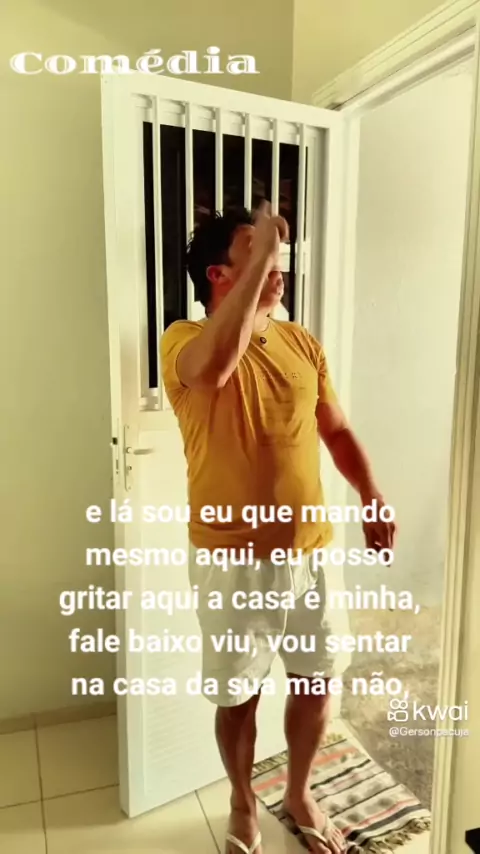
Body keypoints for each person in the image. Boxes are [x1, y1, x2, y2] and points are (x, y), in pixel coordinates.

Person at [160, 204, 396, 854]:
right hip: (233, 561)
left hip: (312, 554)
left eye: (275, 251)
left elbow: (336, 430)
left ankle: (298, 792)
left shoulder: (301, 343)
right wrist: (264, 246)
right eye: (254, 250)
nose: (277, 261)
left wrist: (371, 494)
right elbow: (213, 369)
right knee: (239, 696)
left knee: (317, 681)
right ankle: (242, 802)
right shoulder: (183, 339)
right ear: (218, 274)